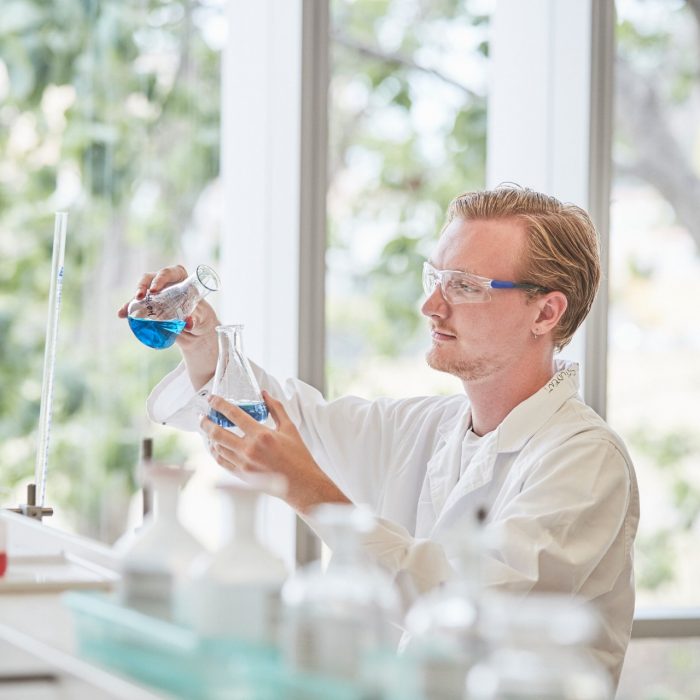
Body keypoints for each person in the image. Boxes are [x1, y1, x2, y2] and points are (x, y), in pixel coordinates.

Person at [118, 184, 639, 686]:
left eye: (463, 286)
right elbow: (291, 420)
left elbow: (462, 610)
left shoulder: (585, 460)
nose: (430, 306)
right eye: (432, 278)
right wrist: (205, 340)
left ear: (546, 312)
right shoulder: (426, 427)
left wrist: (312, 492)